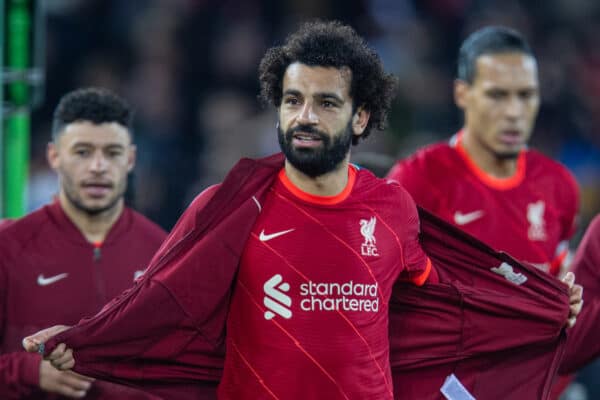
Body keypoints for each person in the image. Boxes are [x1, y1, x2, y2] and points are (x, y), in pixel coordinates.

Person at [23, 22, 581, 400]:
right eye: (293, 101)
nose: (305, 117)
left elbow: (446, 303)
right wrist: (86, 336)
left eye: (326, 103)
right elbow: (154, 303)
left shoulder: (394, 207)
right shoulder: (230, 207)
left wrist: (545, 299)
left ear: (361, 118)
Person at [385, 26, 585, 398]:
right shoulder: (417, 181)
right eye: (497, 95)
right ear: (463, 93)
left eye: (525, 95)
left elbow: (557, 291)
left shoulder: (558, 185)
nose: (514, 112)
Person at [0, 87, 167, 399]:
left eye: (112, 153)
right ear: (54, 157)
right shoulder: (8, 247)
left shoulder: (163, 254)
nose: (98, 166)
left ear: (130, 159)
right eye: (83, 152)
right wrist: (28, 371)